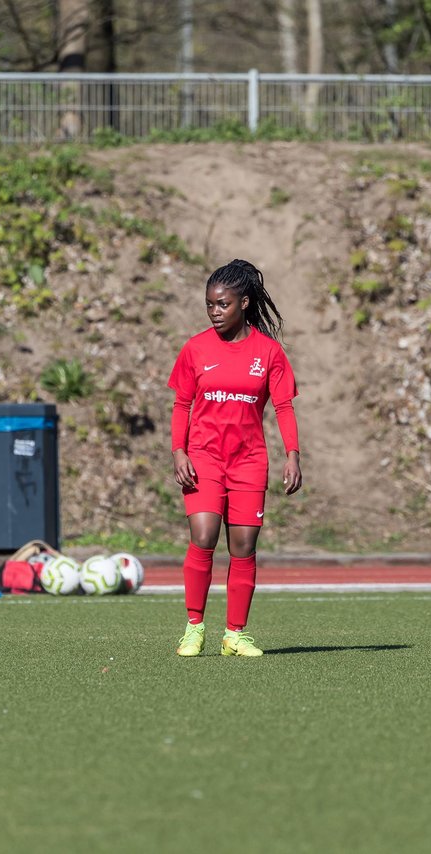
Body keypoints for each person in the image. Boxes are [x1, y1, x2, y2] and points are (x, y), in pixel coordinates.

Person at [168, 259, 302, 658]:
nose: (214, 312)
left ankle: (235, 634)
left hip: (248, 462)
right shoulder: (195, 348)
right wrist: (179, 452)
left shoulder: (269, 353)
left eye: (222, 304)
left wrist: (292, 455)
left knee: (243, 547)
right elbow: (181, 405)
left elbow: (284, 409)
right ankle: (194, 628)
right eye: (209, 305)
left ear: (243, 303)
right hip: (204, 458)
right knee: (204, 535)